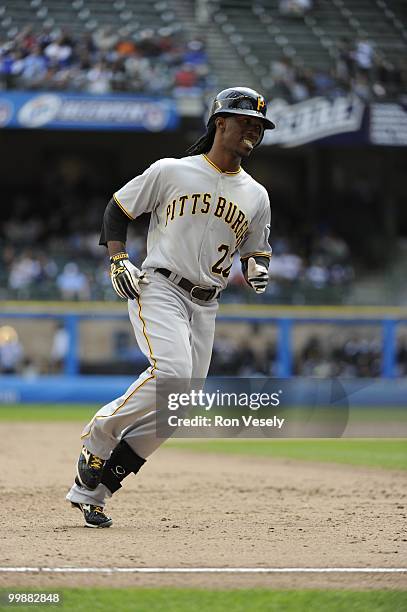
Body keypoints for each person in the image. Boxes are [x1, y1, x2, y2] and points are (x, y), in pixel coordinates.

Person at [66, 86, 275, 528]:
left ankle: (93, 491)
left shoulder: (256, 194)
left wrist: (257, 267)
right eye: (245, 122)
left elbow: (257, 248)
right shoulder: (171, 171)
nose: (252, 131)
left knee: (180, 406)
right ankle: (101, 434)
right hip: (160, 287)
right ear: (220, 123)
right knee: (173, 373)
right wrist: (118, 258)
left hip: (207, 303)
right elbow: (118, 209)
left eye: (259, 125)